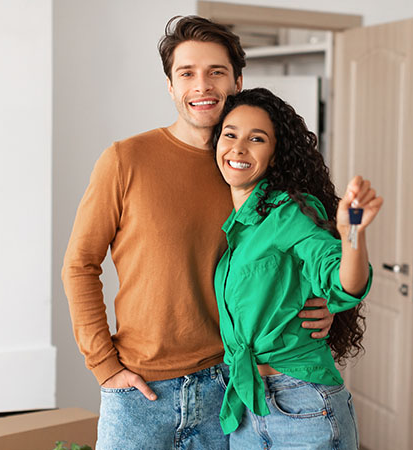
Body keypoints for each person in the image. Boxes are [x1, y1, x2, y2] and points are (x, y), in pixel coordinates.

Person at [61, 16, 334, 450]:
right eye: (187, 73)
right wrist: (104, 365)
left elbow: (293, 257)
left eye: (216, 72)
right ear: (170, 86)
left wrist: (321, 306)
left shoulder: (250, 171)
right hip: (139, 395)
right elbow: (79, 264)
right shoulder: (124, 160)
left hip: (228, 388)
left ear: (237, 81)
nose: (201, 85)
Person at [211, 88, 383, 449]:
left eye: (256, 139)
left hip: (302, 405)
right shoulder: (235, 222)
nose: (239, 148)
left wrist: (352, 234)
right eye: (230, 134)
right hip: (247, 407)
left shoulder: (289, 211)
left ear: (274, 156)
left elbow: (342, 283)